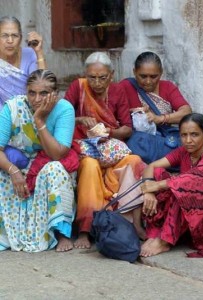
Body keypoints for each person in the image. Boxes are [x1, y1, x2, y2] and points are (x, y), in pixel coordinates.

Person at [65, 52, 146, 249]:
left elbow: (127, 128)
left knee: (135, 161)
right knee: (90, 165)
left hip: (110, 149)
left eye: (102, 78)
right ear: (85, 74)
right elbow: (62, 116)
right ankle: (85, 229)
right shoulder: (78, 87)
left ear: (111, 75)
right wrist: (79, 119)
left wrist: (110, 132)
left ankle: (130, 221)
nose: (97, 83)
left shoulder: (117, 91)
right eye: (92, 77)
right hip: (84, 149)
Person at [0, 69, 78, 252]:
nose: (36, 99)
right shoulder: (13, 107)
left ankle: (60, 233)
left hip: (47, 164)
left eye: (44, 93)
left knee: (55, 170)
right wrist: (14, 171)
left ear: (55, 94)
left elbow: (57, 154)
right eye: (32, 93)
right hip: (19, 165)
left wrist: (39, 120)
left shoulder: (64, 109)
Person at [140, 113, 203, 257]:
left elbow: (194, 179)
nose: (188, 140)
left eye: (194, 135)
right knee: (159, 173)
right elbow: (152, 166)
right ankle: (156, 233)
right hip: (184, 215)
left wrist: (157, 186)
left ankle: (164, 241)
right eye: (183, 135)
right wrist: (148, 191)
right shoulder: (183, 152)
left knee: (181, 187)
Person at [119, 51, 192, 162]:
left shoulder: (168, 87)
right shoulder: (125, 87)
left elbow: (186, 112)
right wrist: (133, 114)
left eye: (153, 77)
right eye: (143, 76)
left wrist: (159, 118)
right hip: (137, 146)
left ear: (161, 73)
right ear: (134, 72)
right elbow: (114, 114)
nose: (148, 81)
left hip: (163, 143)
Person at [0, 16, 46, 109]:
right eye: (5, 36)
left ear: (20, 39)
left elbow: (41, 87)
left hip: (29, 112)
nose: (10, 41)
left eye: (14, 36)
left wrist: (39, 52)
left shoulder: (30, 54)